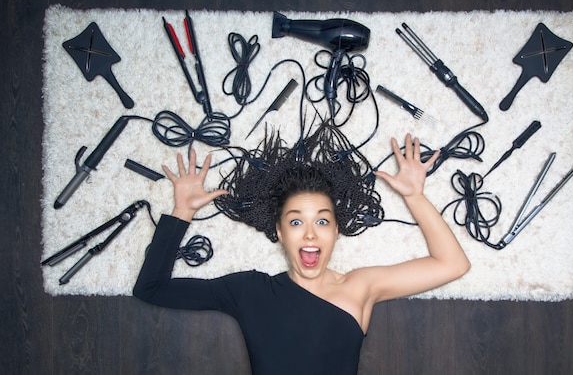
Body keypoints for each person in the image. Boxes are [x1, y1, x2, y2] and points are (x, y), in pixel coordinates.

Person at [133, 133, 471, 375]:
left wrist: (415, 197)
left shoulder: (360, 286)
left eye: (322, 221)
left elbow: (453, 264)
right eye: (296, 222)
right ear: (280, 232)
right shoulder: (249, 291)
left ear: (336, 231)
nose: (310, 233)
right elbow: (151, 289)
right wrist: (181, 212)